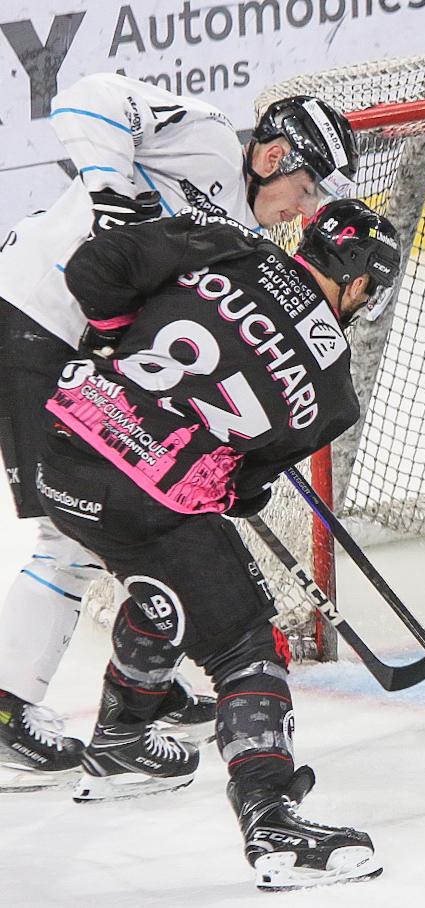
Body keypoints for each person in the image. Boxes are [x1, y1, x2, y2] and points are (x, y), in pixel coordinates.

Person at [0, 72, 357, 789]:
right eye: (306, 188)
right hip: (34, 316)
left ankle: (147, 688)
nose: (304, 209)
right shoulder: (205, 136)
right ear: (273, 156)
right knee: (72, 537)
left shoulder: (244, 234)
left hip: (80, 346)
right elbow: (87, 97)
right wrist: (108, 193)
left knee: (122, 522)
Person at [39, 198, 398, 889]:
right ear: (357, 283)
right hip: (147, 500)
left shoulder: (232, 244)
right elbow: (241, 491)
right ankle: (272, 822)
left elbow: (94, 268)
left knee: (172, 582)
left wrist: (115, 342)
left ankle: (121, 742)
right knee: (244, 645)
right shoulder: (334, 396)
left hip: (63, 456)